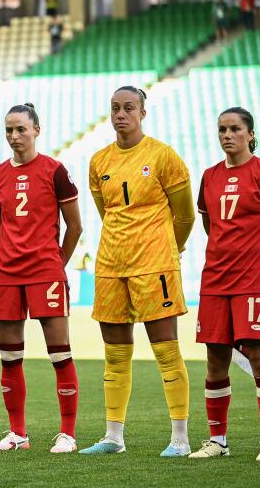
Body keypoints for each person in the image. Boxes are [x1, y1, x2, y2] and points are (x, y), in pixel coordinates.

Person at [81, 86, 195, 456]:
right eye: (115, 108)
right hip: (111, 265)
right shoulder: (99, 161)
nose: (121, 114)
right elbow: (106, 213)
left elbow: (186, 215)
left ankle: (180, 437)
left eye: (129, 108)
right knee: (114, 354)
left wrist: (168, 249)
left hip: (155, 265)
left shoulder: (163, 156)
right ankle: (113, 437)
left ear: (142, 113)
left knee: (166, 350)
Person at [189, 108, 260, 462]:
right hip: (215, 280)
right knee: (215, 360)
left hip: (253, 280)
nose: (227, 135)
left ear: (250, 134)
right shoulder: (209, 177)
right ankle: (217, 441)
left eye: (235, 129)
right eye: (222, 129)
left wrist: (257, 254)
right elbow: (211, 227)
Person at [0, 104, 83, 453]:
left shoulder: (55, 170)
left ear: (36, 130)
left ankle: (68, 434)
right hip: (6, 275)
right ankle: (17, 434)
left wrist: (56, 263)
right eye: (9, 130)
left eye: (21, 129)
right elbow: (0, 228)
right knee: (9, 357)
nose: (14, 136)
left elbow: (75, 226)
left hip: (46, 274)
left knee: (60, 355)